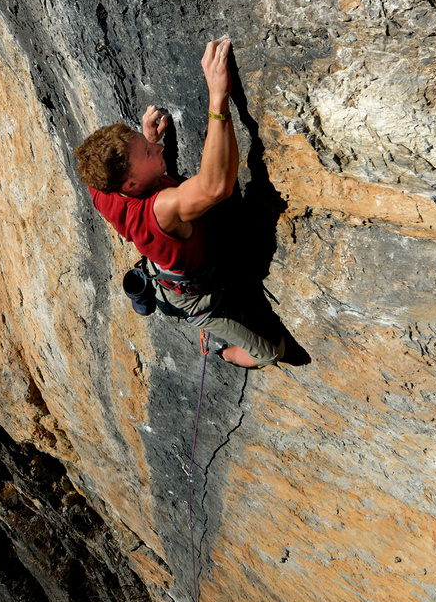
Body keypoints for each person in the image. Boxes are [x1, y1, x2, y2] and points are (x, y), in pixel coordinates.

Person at [74, 36, 284, 369]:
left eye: (144, 142)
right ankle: (222, 353)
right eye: (146, 153)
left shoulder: (100, 186)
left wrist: (147, 139)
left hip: (168, 270)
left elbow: (120, 166)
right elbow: (216, 187)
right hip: (194, 298)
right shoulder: (161, 209)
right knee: (271, 352)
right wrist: (218, 96)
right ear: (129, 183)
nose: (155, 148)